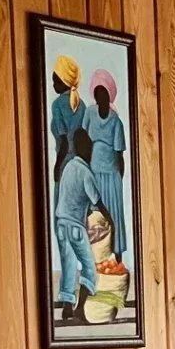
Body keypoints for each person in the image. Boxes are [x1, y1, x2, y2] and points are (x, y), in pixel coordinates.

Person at [52, 128, 101, 323]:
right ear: (85, 149)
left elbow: (70, 196)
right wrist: (110, 220)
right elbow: (97, 200)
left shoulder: (69, 167)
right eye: (90, 148)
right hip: (75, 226)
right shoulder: (85, 172)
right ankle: (80, 308)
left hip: (61, 223)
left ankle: (67, 308)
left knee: (69, 265)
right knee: (89, 266)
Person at [82, 71, 130, 260]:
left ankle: (117, 256)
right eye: (97, 93)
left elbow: (120, 154)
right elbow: (83, 139)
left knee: (114, 214)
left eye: (104, 93)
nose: (100, 97)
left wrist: (119, 177)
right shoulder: (89, 113)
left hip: (111, 174)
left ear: (110, 95)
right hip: (94, 171)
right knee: (95, 214)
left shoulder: (116, 121)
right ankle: (94, 259)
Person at [49, 54, 84, 185]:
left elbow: (64, 142)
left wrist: (57, 166)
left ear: (64, 81)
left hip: (64, 161)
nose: (53, 85)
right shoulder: (82, 104)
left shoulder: (57, 105)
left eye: (56, 81)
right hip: (80, 163)